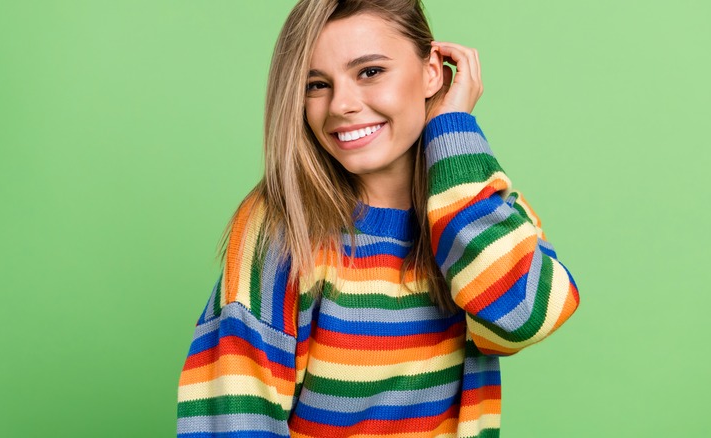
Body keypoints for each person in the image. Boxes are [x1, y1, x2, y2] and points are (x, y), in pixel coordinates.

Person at [176, 0, 580, 436]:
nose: (341, 105)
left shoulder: (480, 203)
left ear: (432, 72)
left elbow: (522, 317)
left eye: (369, 72)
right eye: (316, 84)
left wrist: (453, 127)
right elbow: (235, 416)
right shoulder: (281, 224)